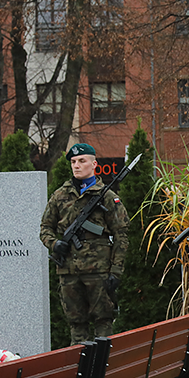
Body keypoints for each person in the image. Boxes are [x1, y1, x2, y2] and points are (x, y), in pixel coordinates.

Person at [40, 143, 129, 345]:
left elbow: (121, 236)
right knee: (76, 324)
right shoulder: (60, 196)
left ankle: (103, 368)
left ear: (94, 164)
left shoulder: (107, 197)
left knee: (103, 323)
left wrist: (116, 271)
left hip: (99, 271)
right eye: (73, 162)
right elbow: (45, 227)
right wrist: (54, 245)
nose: (77, 166)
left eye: (82, 161)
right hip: (69, 271)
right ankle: (79, 369)